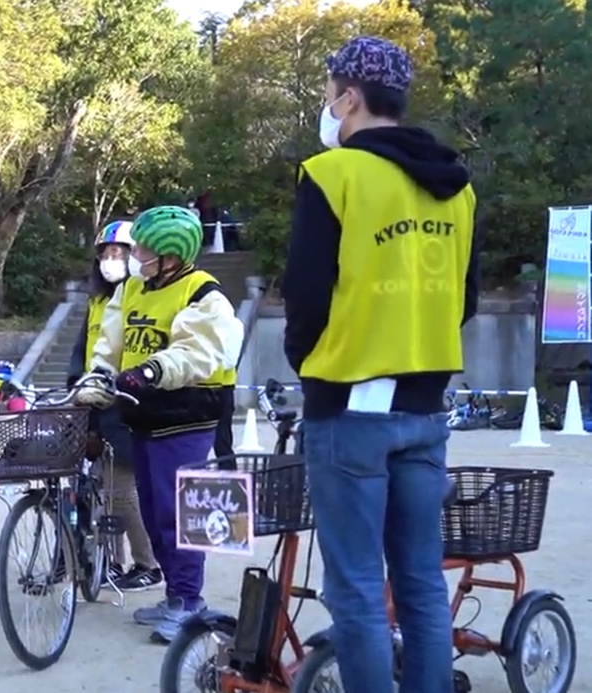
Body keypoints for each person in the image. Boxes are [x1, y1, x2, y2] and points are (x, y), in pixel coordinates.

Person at [282, 36, 480, 693]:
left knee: (358, 588)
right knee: (421, 581)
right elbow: (465, 299)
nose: (328, 104)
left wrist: (307, 364)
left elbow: (306, 296)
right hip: (426, 409)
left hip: (349, 408)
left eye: (331, 92)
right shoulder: (458, 189)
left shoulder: (333, 175)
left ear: (351, 96)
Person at [74, 205, 243, 644]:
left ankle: (190, 602)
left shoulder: (203, 293)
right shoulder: (132, 288)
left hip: (186, 417)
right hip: (144, 416)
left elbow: (202, 352)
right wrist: (99, 375)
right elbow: (111, 340)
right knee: (151, 511)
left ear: (169, 253)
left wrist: (150, 371)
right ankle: (174, 595)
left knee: (178, 513)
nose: (135, 254)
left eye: (143, 247)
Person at [67, 220, 163, 592]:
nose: (111, 260)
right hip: (95, 400)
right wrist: (76, 387)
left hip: (126, 402)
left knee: (120, 490)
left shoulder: (140, 298)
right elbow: (82, 352)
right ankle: (115, 562)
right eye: (105, 254)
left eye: (119, 253)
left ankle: (148, 563)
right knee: (105, 490)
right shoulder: (96, 302)